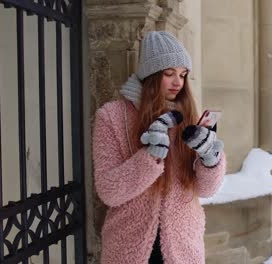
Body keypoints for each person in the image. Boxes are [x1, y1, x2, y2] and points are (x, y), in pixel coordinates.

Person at [92, 31, 226, 264]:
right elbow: (108, 191)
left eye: (183, 75)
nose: (178, 82)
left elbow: (206, 190)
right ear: (151, 74)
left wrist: (210, 159)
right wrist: (151, 156)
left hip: (183, 248)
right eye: (169, 73)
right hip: (128, 248)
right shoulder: (111, 117)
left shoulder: (189, 117)